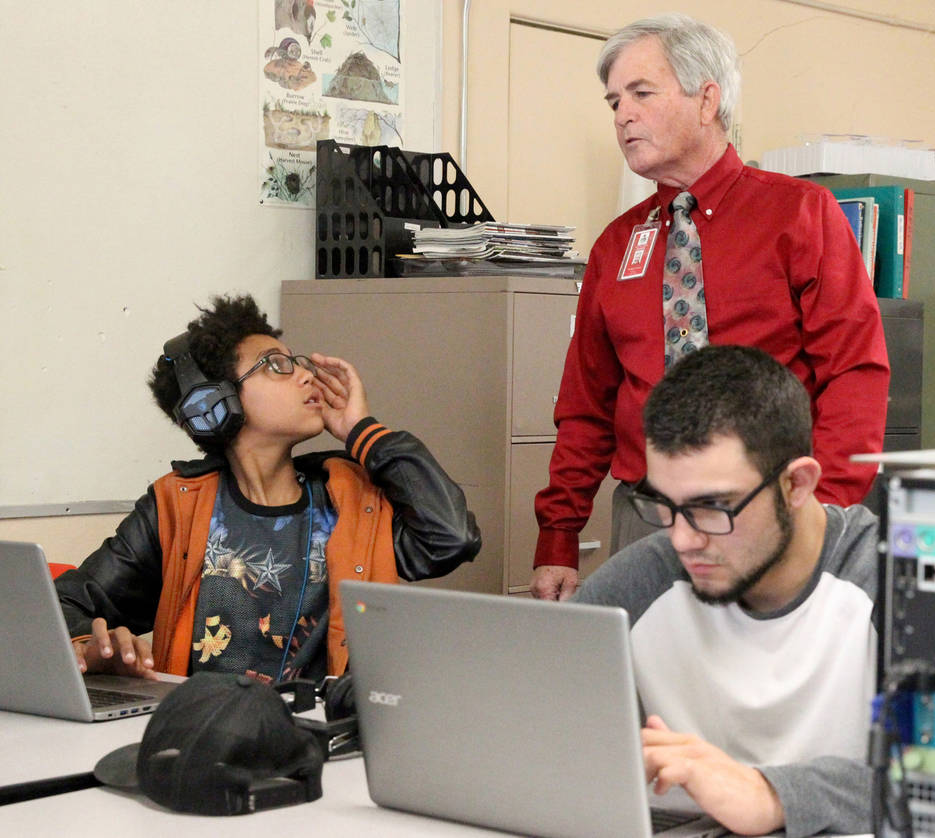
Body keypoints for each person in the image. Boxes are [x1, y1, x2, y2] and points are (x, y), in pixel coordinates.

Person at [531, 13, 889, 600]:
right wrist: (558, 537)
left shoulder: (800, 214)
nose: (623, 115)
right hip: (644, 517)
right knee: (643, 683)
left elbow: (855, 374)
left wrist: (821, 516)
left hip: (765, 517)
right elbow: (586, 405)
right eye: (614, 100)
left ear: (707, 100)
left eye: (641, 93)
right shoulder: (617, 244)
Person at [56, 294, 481, 684]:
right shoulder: (177, 505)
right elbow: (62, 607)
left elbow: (451, 538)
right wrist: (92, 651)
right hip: (201, 734)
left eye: (296, 362)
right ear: (214, 405)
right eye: (276, 365)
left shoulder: (350, 498)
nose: (306, 375)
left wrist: (363, 433)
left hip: (320, 736)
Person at [573, 344, 877, 837]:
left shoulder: (887, 580)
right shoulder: (644, 580)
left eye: (712, 507)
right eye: (664, 505)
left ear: (797, 485)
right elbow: (529, 729)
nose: (682, 539)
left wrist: (773, 795)